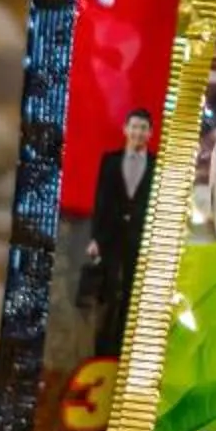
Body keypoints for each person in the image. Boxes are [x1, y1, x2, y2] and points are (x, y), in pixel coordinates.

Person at [76, 109, 155, 350]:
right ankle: (101, 347)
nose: (138, 132)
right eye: (134, 127)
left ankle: (122, 348)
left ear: (150, 133)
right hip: (110, 236)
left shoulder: (156, 165)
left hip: (140, 237)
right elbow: (101, 200)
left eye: (143, 128)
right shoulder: (110, 161)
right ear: (126, 129)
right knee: (108, 291)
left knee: (132, 292)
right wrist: (95, 238)